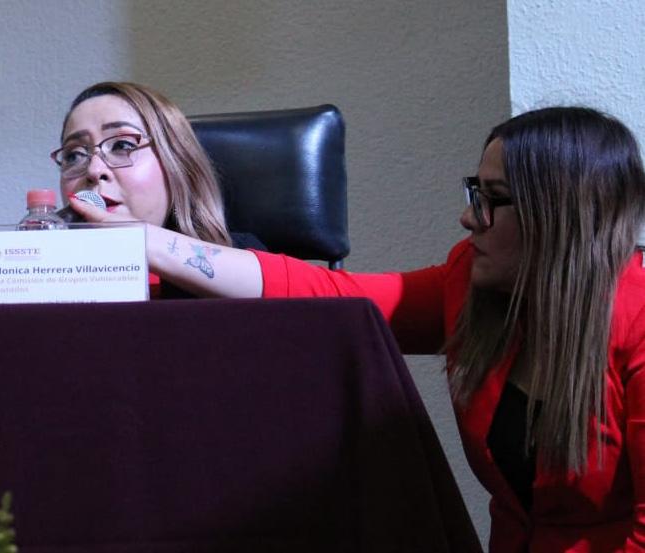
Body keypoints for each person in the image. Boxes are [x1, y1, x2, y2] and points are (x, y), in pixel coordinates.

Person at [68, 106, 645, 552]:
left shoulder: (637, 323)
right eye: (476, 193)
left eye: (493, 199)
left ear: (561, 216)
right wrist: (147, 242)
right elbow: (329, 296)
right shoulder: (469, 285)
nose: (470, 217)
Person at [51, 81, 265, 298]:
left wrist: (136, 240)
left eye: (122, 145)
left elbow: (289, 285)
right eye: (74, 155)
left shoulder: (237, 253)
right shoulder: (46, 270)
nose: (94, 170)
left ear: (176, 164)